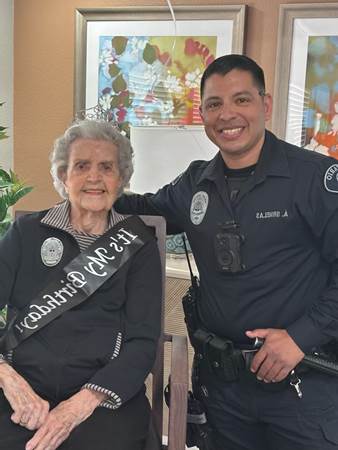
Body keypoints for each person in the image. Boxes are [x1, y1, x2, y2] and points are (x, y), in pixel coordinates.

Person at [115, 54, 338, 449]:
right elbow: (143, 212)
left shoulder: (314, 178)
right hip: (224, 389)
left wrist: (301, 337)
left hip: (303, 385)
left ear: (264, 105)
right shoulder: (194, 184)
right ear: (202, 114)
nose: (227, 114)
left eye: (241, 100)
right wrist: (89, 189)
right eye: (214, 104)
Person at [0, 120, 162, 450]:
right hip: (23, 389)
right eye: (81, 165)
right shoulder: (27, 233)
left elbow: (142, 342)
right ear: (63, 176)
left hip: (100, 397)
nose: (94, 177)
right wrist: (9, 380)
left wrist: (77, 407)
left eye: (106, 167)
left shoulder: (137, 246)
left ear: (121, 179)